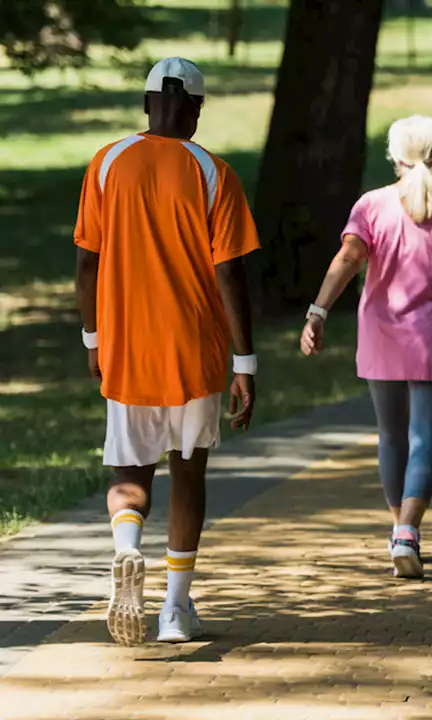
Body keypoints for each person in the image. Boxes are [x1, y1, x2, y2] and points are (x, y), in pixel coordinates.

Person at [74, 57, 260, 646]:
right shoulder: (214, 172)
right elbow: (230, 273)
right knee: (188, 472)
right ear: (196, 110)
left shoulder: (107, 163)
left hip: (127, 347)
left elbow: (87, 261)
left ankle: (127, 549)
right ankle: (176, 610)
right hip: (195, 352)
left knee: (129, 471)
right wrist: (245, 362)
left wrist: (92, 337)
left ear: (146, 103)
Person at [300, 115, 432, 580]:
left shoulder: (371, 206)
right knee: (426, 438)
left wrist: (318, 310)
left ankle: (400, 530)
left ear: (394, 157)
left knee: (391, 436)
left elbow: (349, 257)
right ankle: (406, 531)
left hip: (382, 335)